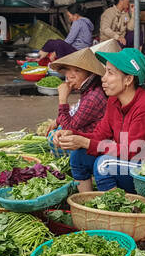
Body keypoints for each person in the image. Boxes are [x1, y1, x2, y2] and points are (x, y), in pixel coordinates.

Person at [52, 47, 145, 191]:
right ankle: (87, 205)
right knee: (79, 156)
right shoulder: (114, 101)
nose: (103, 78)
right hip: (132, 164)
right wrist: (74, 136)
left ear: (128, 79)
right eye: (105, 71)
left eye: (110, 73)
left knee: (104, 164)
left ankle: (116, 210)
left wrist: (85, 142)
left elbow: (131, 151)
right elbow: (100, 135)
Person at [49, 39, 116, 192]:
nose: (70, 76)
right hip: (100, 140)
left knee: (71, 150)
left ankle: (87, 196)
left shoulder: (94, 95)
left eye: (77, 71)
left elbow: (70, 126)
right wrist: (58, 119)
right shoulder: (89, 90)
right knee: (61, 136)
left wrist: (62, 99)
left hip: (108, 147)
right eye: (68, 71)